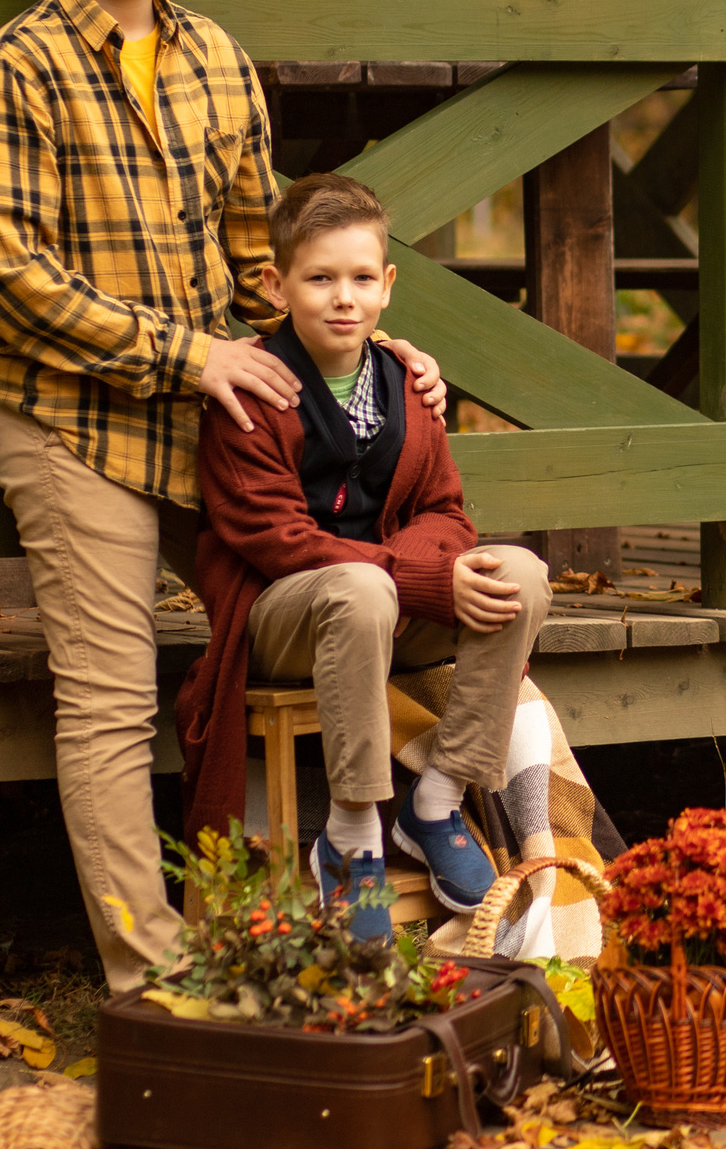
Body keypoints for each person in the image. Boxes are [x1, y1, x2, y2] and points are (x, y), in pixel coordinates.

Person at [0, 0, 450, 988]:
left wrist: (379, 351)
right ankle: (157, 977)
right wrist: (190, 356)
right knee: (112, 698)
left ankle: (404, 871)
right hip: (69, 420)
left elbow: (259, 258)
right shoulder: (18, 67)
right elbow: (5, 276)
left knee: (354, 596)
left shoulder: (215, 58)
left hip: (210, 419)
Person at [177, 173, 552, 939]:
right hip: (282, 618)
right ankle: (351, 834)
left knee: (521, 575)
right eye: (319, 279)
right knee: (359, 587)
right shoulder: (252, 390)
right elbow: (277, 539)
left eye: (359, 279)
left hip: (385, 604)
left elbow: (445, 510)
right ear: (277, 286)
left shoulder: (406, 384)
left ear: (386, 285)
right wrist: (412, 576)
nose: (342, 298)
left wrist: (421, 575)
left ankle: (436, 801)